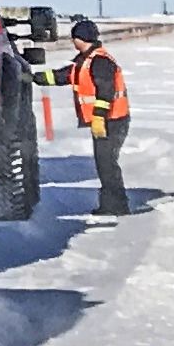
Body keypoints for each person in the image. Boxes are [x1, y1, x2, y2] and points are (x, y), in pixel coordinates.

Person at [67, 17, 133, 215]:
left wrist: (98, 117)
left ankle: (116, 206)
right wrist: (35, 78)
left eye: (74, 38)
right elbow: (66, 75)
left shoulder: (100, 61)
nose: (72, 42)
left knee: (107, 164)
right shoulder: (87, 60)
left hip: (112, 121)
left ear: (80, 39)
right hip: (106, 120)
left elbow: (105, 91)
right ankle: (111, 204)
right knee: (104, 163)